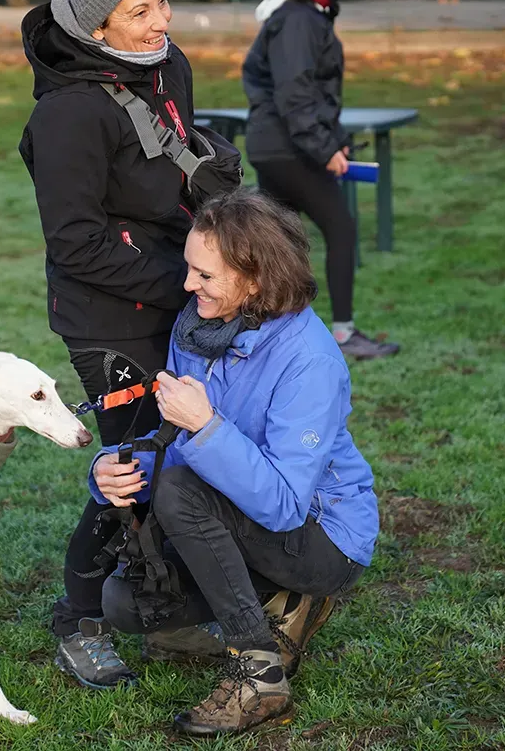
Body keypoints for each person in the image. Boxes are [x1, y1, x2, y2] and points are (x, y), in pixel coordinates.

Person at [92, 188, 379, 735]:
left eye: (204, 275)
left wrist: (207, 426)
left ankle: (258, 672)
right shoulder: (198, 329)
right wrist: (112, 468)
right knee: (126, 602)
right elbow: (171, 442)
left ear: (255, 279)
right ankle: (278, 607)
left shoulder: (310, 360)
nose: (187, 286)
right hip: (233, 518)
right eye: (189, 270)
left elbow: (285, 506)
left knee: (179, 491)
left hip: (323, 538)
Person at [17, 0, 199, 689]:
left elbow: (170, 158)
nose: (162, 21)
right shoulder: (64, 114)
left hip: (179, 290)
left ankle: (168, 604)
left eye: (163, 0)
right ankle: (80, 618)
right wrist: (184, 282)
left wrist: (210, 168)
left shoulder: (166, 63)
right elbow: (75, 243)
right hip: (107, 314)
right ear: (95, 24)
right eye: (140, 11)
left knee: (188, 451)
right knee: (131, 467)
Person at [242, 0, 401, 360]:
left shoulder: (304, 13)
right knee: (340, 230)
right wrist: (323, 147)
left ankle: (269, 336)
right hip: (288, 149)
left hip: (278, 145)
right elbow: (294, 94)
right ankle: (344, 334)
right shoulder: (297, 18)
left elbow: (312, 93)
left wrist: (338, 140)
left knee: (280, 244)